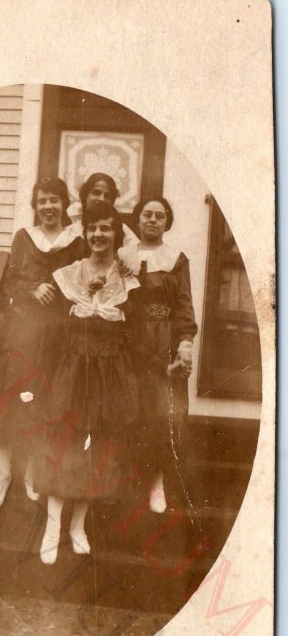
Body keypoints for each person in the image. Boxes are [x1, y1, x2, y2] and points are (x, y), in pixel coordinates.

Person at [0, 176, 83, 512]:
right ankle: (2, 474)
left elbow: (80, 280)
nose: (48, 207)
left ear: (64, 204)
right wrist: (33, 289)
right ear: (35, 205)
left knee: (41, 402)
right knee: (13, 399)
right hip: (23, 332)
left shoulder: (75, 242)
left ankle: (30, 472)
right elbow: (12, 279)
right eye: (42, 200)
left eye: (54, 200)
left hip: (57, 336)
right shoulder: (24, 238)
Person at [32, 201, 140, 565]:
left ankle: (78, 526)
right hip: (74, 368)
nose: (98, 234)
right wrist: (83, 297)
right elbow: (53, 325)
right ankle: (52, 527)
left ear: (116, 234)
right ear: (86, 232)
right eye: (93, 227)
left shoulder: (126, 276)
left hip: (109, 371)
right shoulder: (71, 272)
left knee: (97, 448)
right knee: (65, 443)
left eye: (106, 228)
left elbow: (137, 323)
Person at [118, 196, 197, 514]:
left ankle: (157, 483)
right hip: (127, 342)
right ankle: (123, 482)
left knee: (160, 414)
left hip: (161, 343)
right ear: (137, 220)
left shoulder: (176, 258)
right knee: (127, 409)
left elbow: (183, 304)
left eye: (159, 216)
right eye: (146, 214)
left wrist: (185, 343)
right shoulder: (122, 255)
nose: (152, 220)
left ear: (167, 222)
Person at [67, 172, 138, 248]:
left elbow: (135, 254)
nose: (102, 199)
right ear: (85, 195)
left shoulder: (121, 228)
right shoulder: (69, 221)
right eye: (96, 193)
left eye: (107, 196)